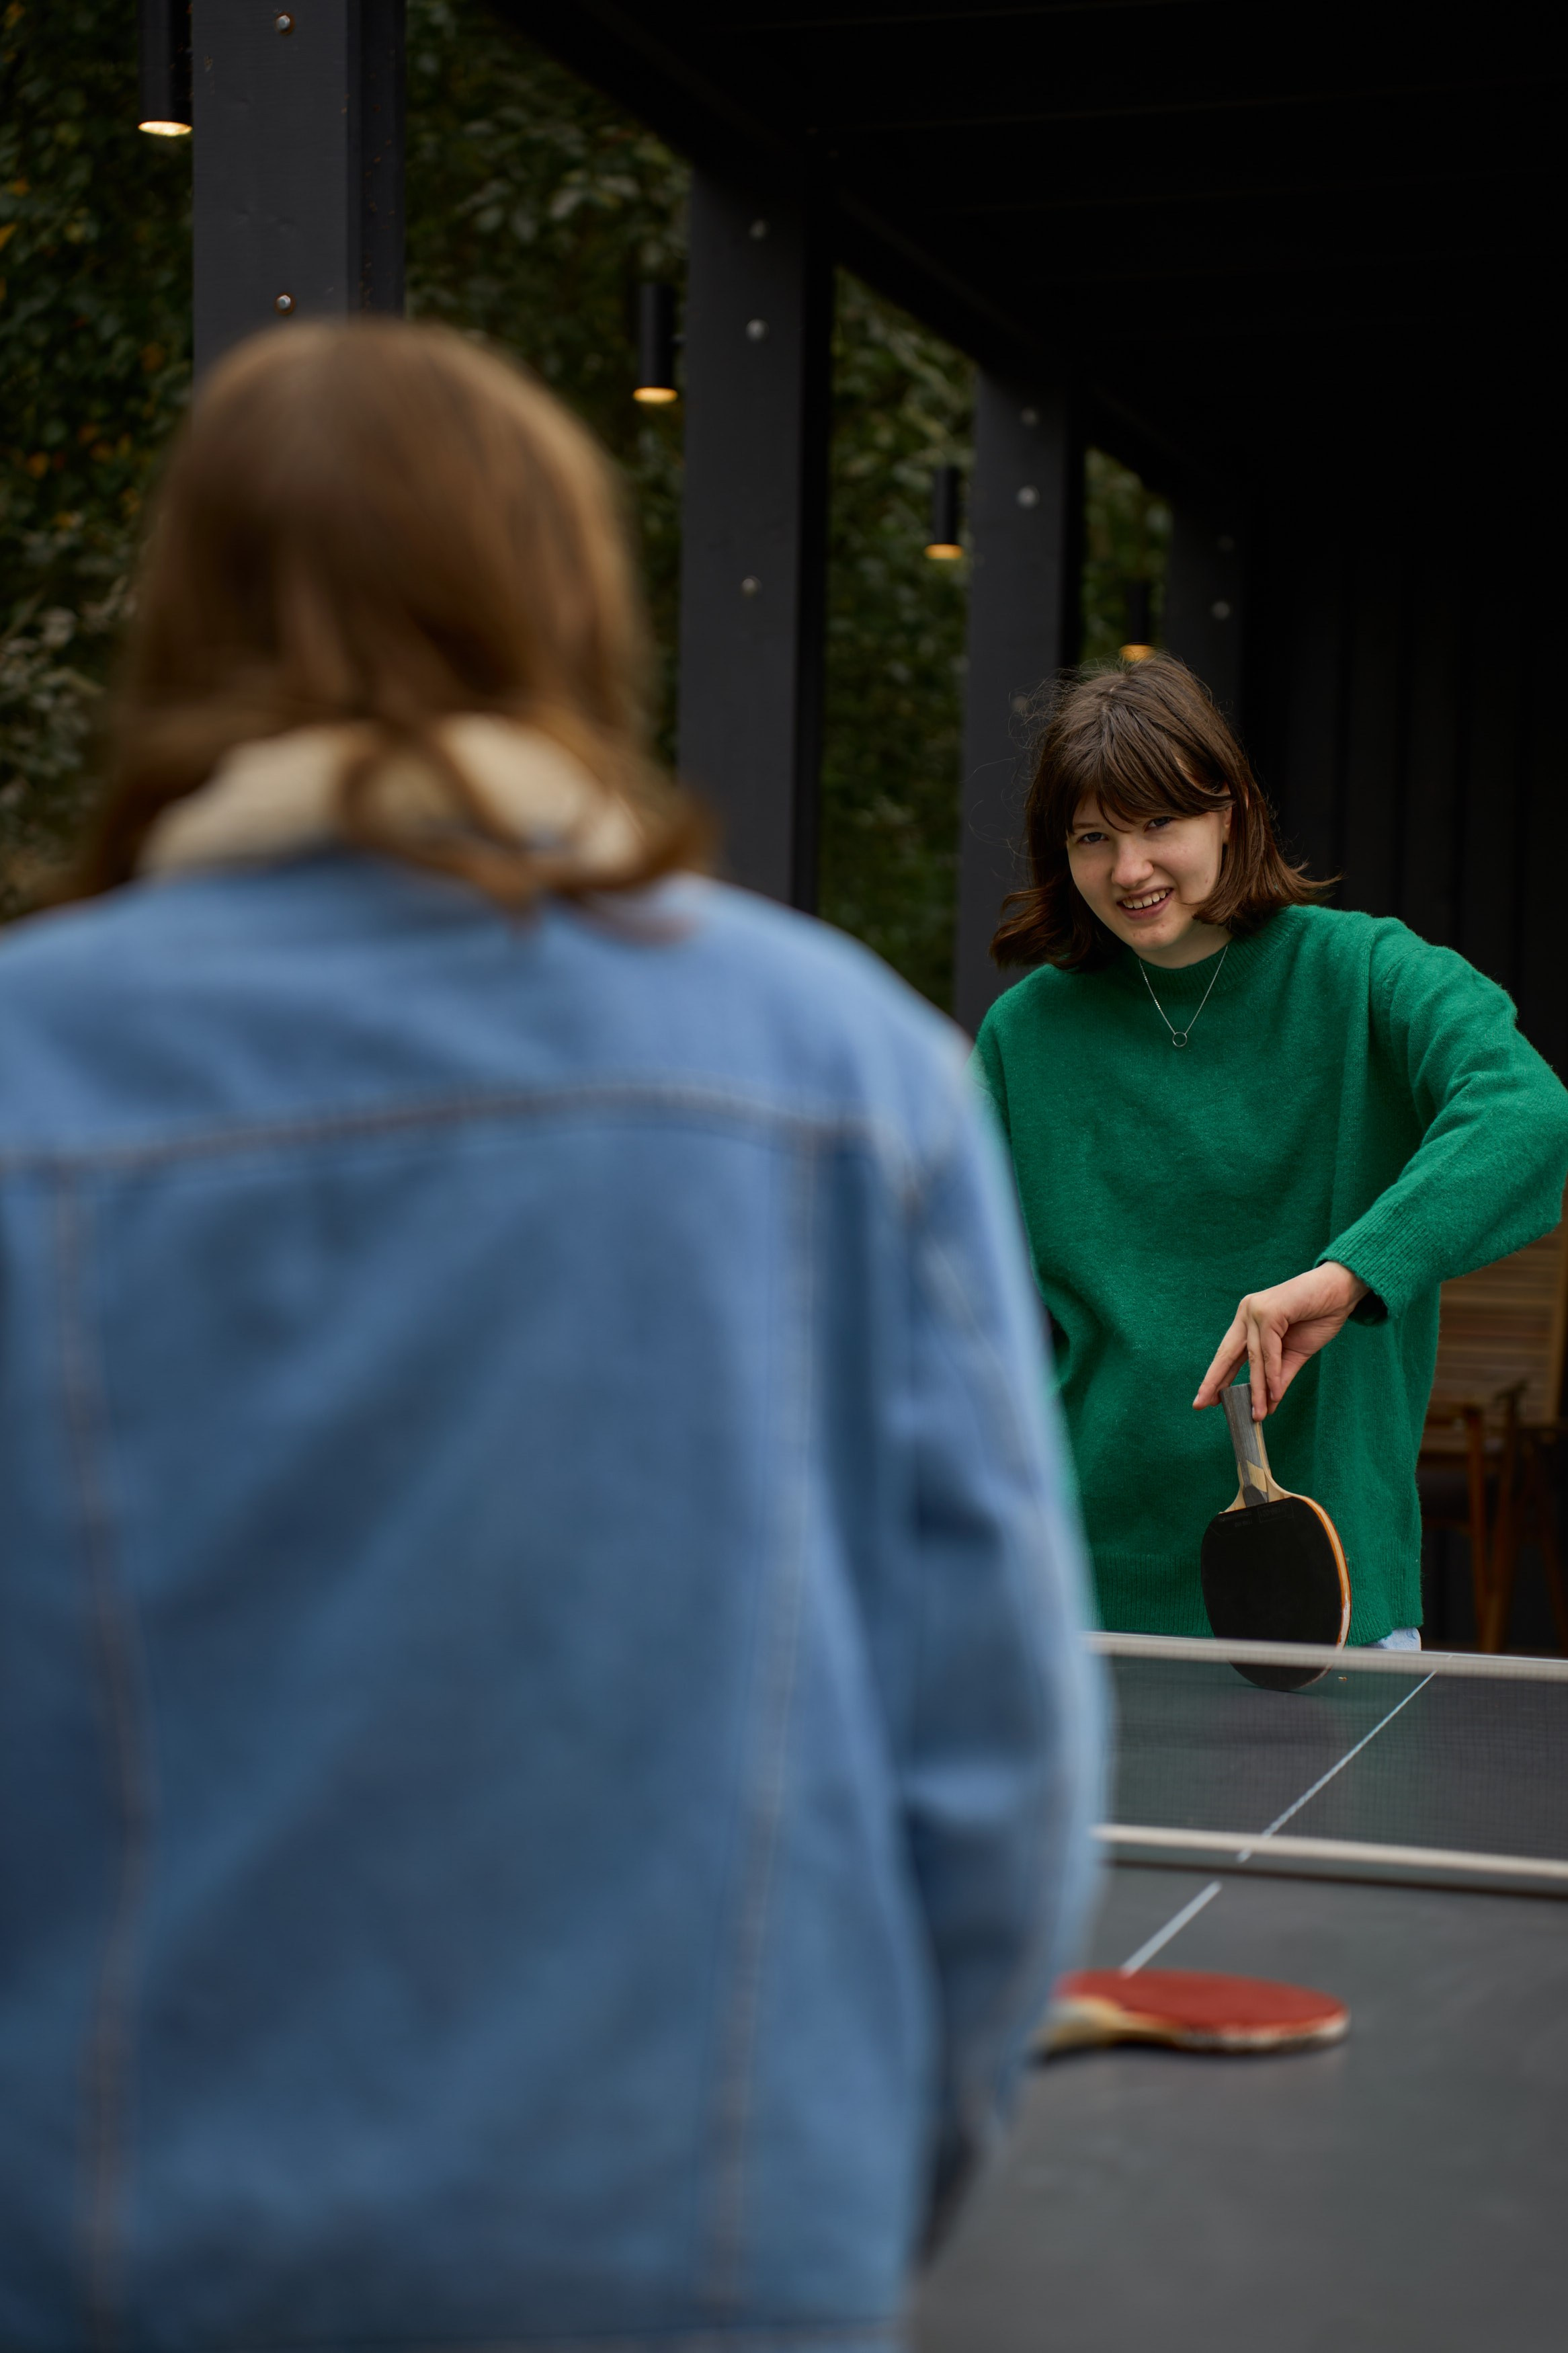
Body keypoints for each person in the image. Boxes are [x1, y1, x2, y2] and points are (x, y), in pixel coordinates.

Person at [0, 321, 1102, 2352]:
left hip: (112, 2257)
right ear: (571, 608)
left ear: (178, 625)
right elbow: (998, 1758)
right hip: (710, 2254)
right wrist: (834, 2198)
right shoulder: (848, 1069)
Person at [975, 654, 1568, 1648]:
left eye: (1159, 823)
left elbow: (1529, 1111)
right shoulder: (1022, 1035)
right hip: (1072, 1587)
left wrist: (1349, 1274)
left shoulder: (1364, 972)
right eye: (1092, 838)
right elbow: (933, 1290)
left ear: (1230, 813)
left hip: (1333, 1587)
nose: (1129, 869)